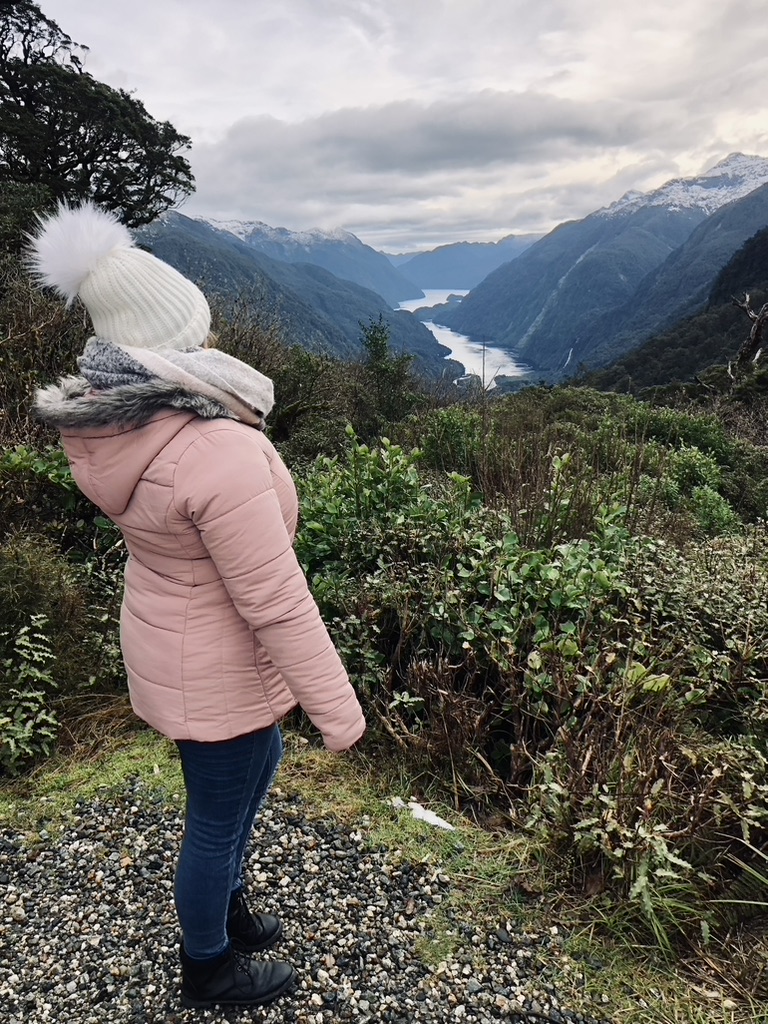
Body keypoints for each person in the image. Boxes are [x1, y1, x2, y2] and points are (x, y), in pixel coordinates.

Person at [27, 202, 366, 1010]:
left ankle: (226, 905)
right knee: (219, 816)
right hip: (218, 657)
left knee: (247, 778)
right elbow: (276, 597)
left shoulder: (115, 425)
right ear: (171, 345)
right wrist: (339, 711)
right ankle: (208, 965)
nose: (213, 339)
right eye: (198, 328)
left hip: (172, 639)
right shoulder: (216, 446)